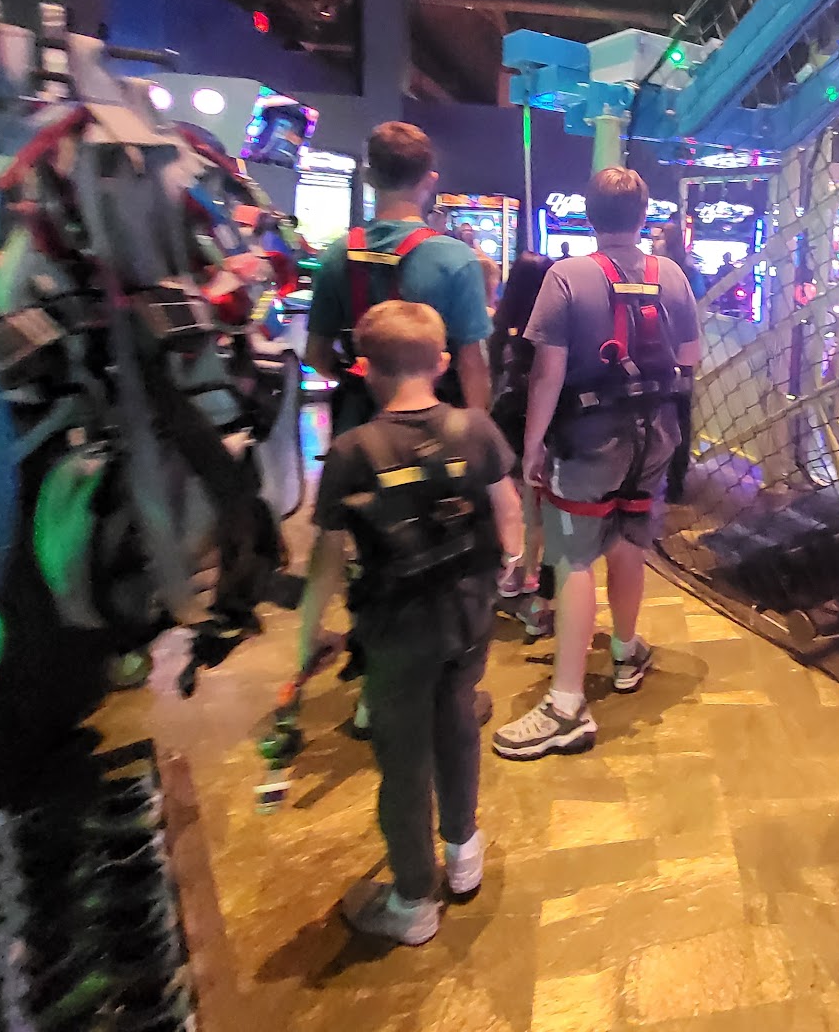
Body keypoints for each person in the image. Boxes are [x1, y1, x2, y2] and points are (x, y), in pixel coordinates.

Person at [298, 300, 524, 946]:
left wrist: (310, 633)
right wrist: (509, 567)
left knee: (403, 761)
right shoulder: (476, 428)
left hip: (397, 632)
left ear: (366, 369)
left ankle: (412, 900)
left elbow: (327, 558)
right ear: (443, 362)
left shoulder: (351, 452)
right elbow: (508, 510)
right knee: (458, 726)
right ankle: (464, 852)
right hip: (469, 616)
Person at [492, 168, 701, 760]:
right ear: (643, 215)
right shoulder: (672, 275)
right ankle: (626, 652)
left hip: (589, 439)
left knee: (575, 556)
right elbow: (689, 358)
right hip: (655, 435)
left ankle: (566, 704)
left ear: (588, 214)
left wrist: (533, 444)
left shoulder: (566, 276)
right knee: (630, 540)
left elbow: (547, 372)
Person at [306, 123, 493, 433]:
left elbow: (316, 356)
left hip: (360, 431)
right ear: (429, 180)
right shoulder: (457, 259)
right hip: (438, 432)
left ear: (367, 177)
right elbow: (472, 366)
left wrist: (364, 379)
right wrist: (478, 435)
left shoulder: (336, 256)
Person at [488, 252, 555, 636]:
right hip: (539, 422)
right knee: (536, 510)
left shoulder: (501, 327)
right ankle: (531, 575)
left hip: (504, 421)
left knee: (510, 504)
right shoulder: (549, 329)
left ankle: (511, 571)